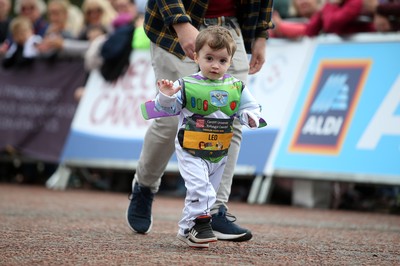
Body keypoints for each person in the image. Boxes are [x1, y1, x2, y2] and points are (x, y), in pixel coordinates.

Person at [126, 0, 273, 242]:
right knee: (170, 121)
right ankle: (144, 186)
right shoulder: (180, 27)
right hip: (178, 26)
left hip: (230, 29)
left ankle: (214, 212)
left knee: (231, 120)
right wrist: (180, 23)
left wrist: (261, 34)